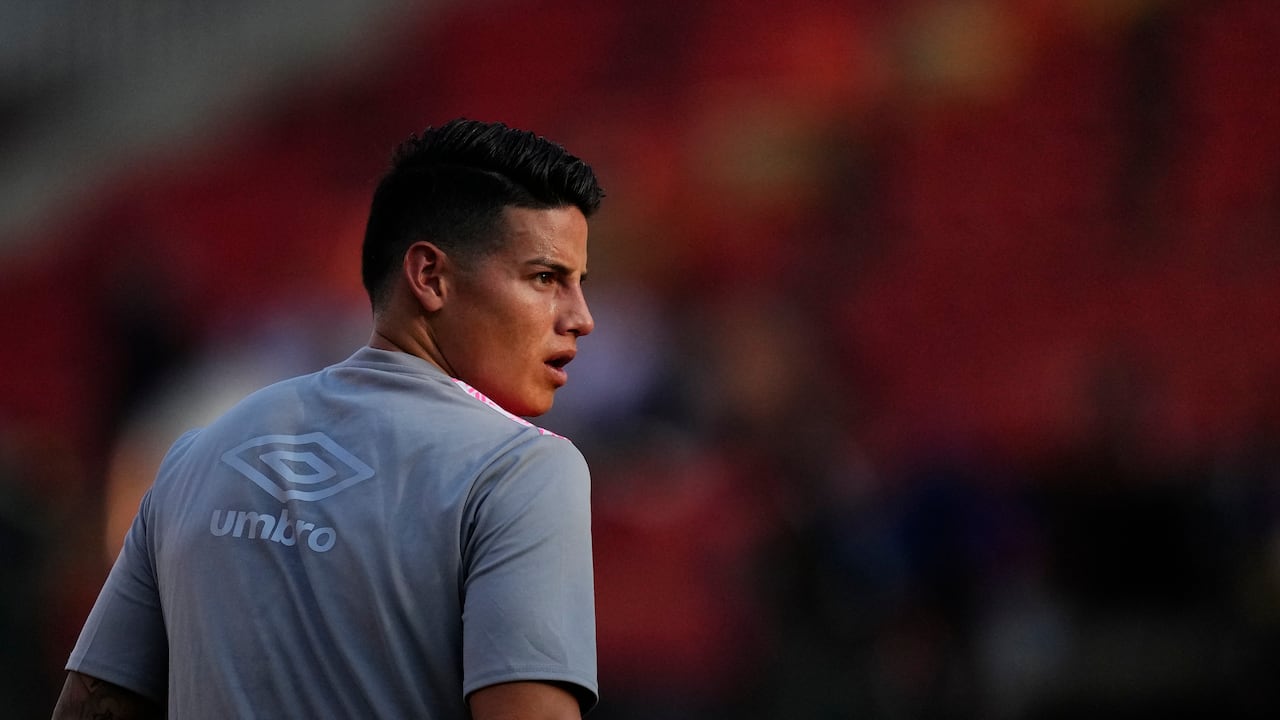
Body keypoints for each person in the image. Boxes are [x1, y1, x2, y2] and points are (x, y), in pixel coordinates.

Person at [53, 118, 604, 719]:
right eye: (545, 278)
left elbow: (88, 704)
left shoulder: (198, 453)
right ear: (430, 277)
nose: (580, 318)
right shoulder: (522, 469)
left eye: (578, 283)